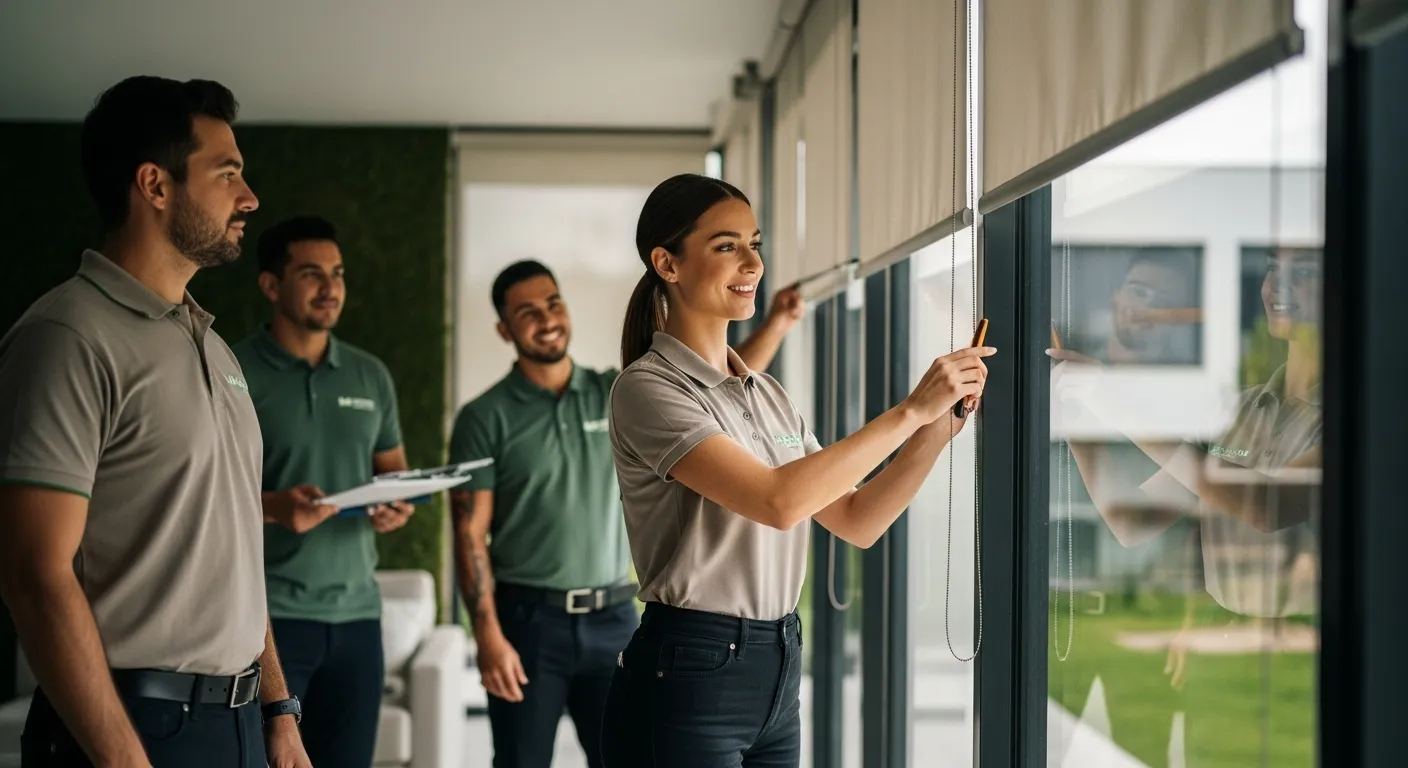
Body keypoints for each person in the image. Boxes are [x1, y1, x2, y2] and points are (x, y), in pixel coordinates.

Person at [598, 173, 995, 767]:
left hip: (778, 668)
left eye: (755, 244)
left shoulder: (768, 393)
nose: (753, 263)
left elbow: (858, 518)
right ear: (667, 263)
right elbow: (777, 502)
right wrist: (910, 409)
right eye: (727, 245)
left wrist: (936, 428)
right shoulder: (648, 388)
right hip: (687, 674)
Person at [0, 76, 310, 768]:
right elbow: (33, 574)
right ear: (155, 185)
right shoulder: (67, 336)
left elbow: (231, 550)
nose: (249, 197)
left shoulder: (216, 349)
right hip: (130, 728)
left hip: (239, 724)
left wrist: (277, 709)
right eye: (227, 173)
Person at [447, 258, 803, 768]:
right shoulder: (484, 418)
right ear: (505, 330)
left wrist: (779, 323)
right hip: (529, 624)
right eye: (527, 313)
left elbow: (714, 393)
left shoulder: (618, 392)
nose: (547, 320)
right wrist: (486, 635)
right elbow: (469, 533)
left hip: (614, 617)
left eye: (553, 304)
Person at [231, 215, 415, 768]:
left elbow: (394, 473)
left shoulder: (370, 375)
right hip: (269, 619)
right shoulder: (233, 371)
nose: (330, 287)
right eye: (312, 273)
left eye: (337, 273)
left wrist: (394, 505)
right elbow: (206, 496)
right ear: (271, 285)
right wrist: (274, 508)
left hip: (358, 618)